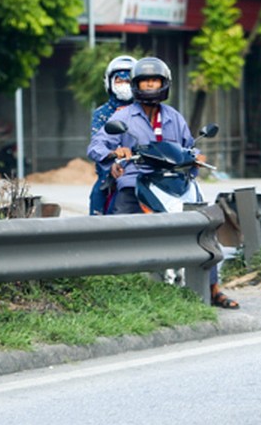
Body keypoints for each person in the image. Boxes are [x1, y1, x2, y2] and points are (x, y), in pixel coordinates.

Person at [87, 57, 240, 309]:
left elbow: (188, 145)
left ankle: (212, 289)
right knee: (119, 228)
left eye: (154, 80)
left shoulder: (174, 117)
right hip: (135, 180)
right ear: (137, 85)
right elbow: (96, 145)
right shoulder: (122, 115)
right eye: (144, 81)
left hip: (174, 181)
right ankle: (118, 286)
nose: (149, 85)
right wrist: (115, 153)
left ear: (164, 83)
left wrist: (196, 155)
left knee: (205, 225)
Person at [88, 54, 136, 215]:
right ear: (110, 82)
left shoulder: (146, 109)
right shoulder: (102, 113)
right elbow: (97, 146)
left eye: (128, 81)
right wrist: (113, 155)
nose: (124, 85)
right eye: (119, 81)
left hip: (144, 170)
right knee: (98, 199)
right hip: (112, 173)